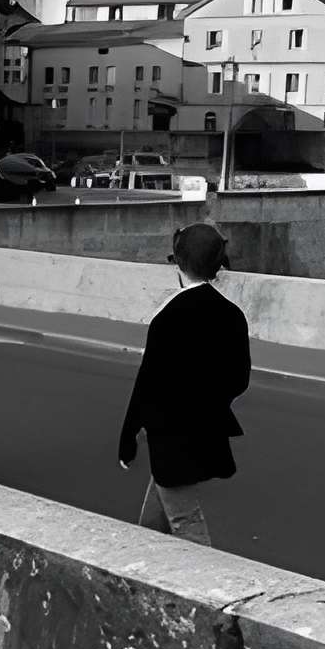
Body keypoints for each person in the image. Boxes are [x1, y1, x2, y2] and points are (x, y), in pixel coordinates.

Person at [117, 222, 250, 546]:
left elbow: (146, 384)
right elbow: (238, 379)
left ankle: (200, 580)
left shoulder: (167, 317)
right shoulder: (232, 315)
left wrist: (128, 438)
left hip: (170, 436)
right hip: (205, 430)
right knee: (154, 520)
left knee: (185, 521)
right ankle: (145, 559)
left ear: (178, 262)